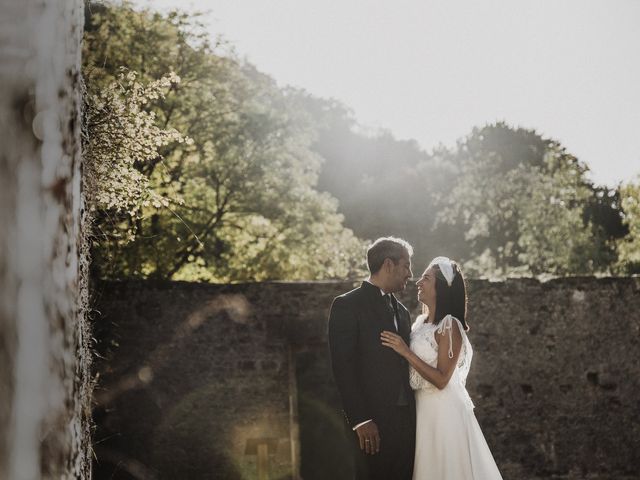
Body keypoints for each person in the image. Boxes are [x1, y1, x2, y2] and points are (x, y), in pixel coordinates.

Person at [381, 256, 503, 479]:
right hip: (423, 410)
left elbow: (442, 379)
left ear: (440, 288)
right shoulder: (419, 324)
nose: (418, 282)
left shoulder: (450, 325)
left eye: (425, 278)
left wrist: (405, 351)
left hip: (444, 411)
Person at [328, 237, 415, 480]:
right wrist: (361, 420)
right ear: (389, 264)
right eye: (406, 265)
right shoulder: (347, 305)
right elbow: (343, 367)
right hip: (371, 422)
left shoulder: (403, 312)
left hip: (409, 422)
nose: (410, 273)